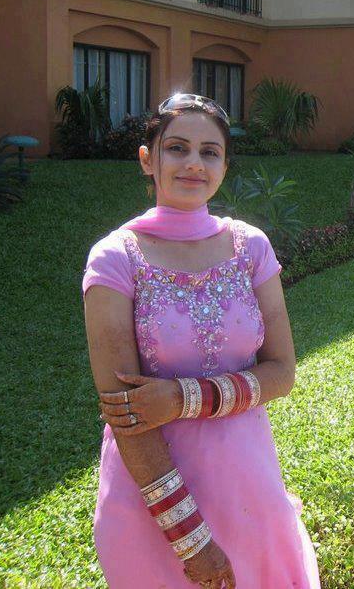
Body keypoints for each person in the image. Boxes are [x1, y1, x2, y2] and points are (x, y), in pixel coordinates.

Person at [82, 93, 321, 588]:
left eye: (209, 152)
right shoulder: (114, 259)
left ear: (224, 166)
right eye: (177, 148)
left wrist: (182, 398)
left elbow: (281, 372)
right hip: (153, 502)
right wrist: (190, 538)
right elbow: (125, 413)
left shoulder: (250, 247)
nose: (194, 163)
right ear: (147, 159)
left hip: (248, 485)